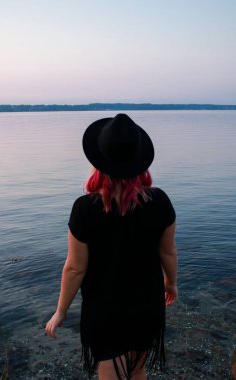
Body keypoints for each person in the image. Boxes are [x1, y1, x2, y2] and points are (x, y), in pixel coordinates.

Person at [45, 113, 178, 380]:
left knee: (111, 370)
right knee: (137, 370)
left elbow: (74, 269)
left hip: (104, 311)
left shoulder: (85, 209)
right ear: (140, 161)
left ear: (99, 161)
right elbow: (167, 252)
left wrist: (61, 311)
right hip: (147, 305)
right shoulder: (160, 201)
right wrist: (171, 284)